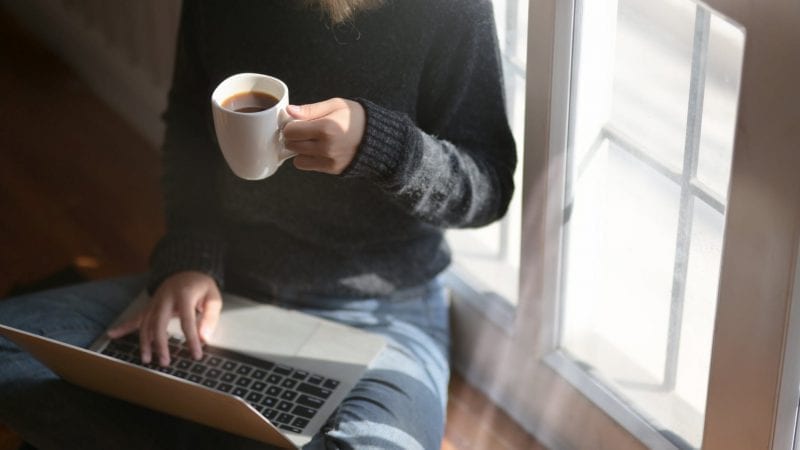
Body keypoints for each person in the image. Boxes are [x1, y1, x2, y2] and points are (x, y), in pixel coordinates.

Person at [0, 0, 516, 448]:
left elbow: (488, 188)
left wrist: (385, 149)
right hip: (229, 287)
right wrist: (191, 259)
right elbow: (190, 126)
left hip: (382, 309)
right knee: (10, 353)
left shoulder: (451, 10)